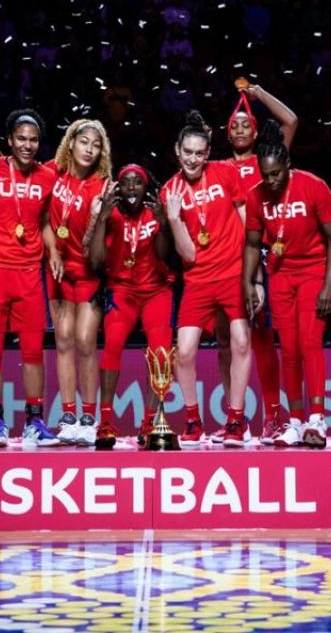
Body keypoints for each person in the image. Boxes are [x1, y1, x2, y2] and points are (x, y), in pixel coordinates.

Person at [243, 120, 331, 447]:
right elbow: (252, 244)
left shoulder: (314, 186)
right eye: (265, 175)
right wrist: (248, 282)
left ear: (287, 163)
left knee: (309, 344)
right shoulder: (256, 195)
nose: (271, 181)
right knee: (288, 349)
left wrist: (329, 284)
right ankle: (297, 421)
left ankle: (317, 420)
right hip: (280, 275)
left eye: (276, 173)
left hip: (314, 271)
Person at [0, 109, 60, 448]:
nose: (27, 145)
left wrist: (54, 252)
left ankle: (35, 422)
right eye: (21, 138)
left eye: (33, 140)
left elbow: (45, 220)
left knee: (34, 350)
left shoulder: (47, 177)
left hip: (29, 271)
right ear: (9, 140)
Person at [215, 81, 298, 445]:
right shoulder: (216, 168)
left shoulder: (267, 162)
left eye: (245, 124)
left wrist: (259, 95)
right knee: (225, 342)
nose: (239, 129)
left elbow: (291, 121)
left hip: (258, 261)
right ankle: (236, 419)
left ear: (255, 130)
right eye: (233, 125)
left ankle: (273, 416)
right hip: (221, 263)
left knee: (262, 340)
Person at [161, 110, 251, 448]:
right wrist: (174, 219)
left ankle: (236, 421)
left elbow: (246, 222)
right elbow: (189, 255)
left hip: (233, 273)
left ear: (207, 153)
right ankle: (193, 420)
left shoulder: (226, 173)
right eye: (188, 152)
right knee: (184, 353)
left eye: (199, 153)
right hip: (198, 279)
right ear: (177, 150)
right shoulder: (170, 191)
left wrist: (253, 276)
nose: (193, 159)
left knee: (240, 342)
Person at [88, 164, 173, 449]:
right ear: (118, 189)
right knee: (112, 344)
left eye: (138, 182)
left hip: (156, 292)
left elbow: (163, 256)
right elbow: (96, 262)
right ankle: (105, 422)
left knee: (160, 351)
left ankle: (150, 422)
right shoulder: (110, 214)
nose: (132, 187)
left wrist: (162, 224)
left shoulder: (154, 213)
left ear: (146, 187)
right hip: (121, 291)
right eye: (126, 183)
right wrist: (101, 219)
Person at [48, 119, 113, 446]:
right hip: (58, 269)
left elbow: (97, 247)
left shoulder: (102, 187)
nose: (89, 149)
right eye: (84, 142)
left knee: (86, 341)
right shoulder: (52, 173)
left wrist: (97, 219)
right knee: (63, 341)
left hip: (89, 272)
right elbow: (42, 219)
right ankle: (68, 416)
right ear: (71, 143)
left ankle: (89, 417)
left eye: (96, 145)